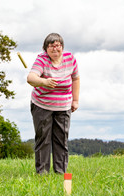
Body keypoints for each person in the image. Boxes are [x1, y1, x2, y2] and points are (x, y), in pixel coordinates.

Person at [27, 33, 80, 174]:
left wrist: (75, 100)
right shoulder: (41, 60)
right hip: (42, 105)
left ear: (62, 47)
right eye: (51, 46)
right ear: (45, 49)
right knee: (43, 140)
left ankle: (60, 172)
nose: (55, 49)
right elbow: (31, 78)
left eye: (58, 46)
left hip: (63, 106)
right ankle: (42, 173)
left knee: (61, 140)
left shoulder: (70, 59)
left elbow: (75, 78)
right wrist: (44, 81)